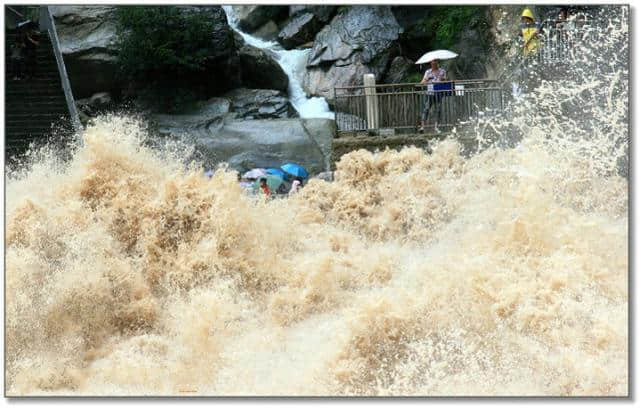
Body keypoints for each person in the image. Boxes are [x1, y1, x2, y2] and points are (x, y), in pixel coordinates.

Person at [418, 59, 446, 133]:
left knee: (438, 110)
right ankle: (422, 127)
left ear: (438, 62)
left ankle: (437, 127)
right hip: (429, 93)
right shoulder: (428, 72)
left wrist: (443, 79)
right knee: (426, 109)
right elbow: (421, 83)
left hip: (439, 92)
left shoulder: (442, 71)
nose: (434, 63)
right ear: (431, 63)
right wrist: (427, 79)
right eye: (433, 61)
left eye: (436, 61)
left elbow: (446, 81)